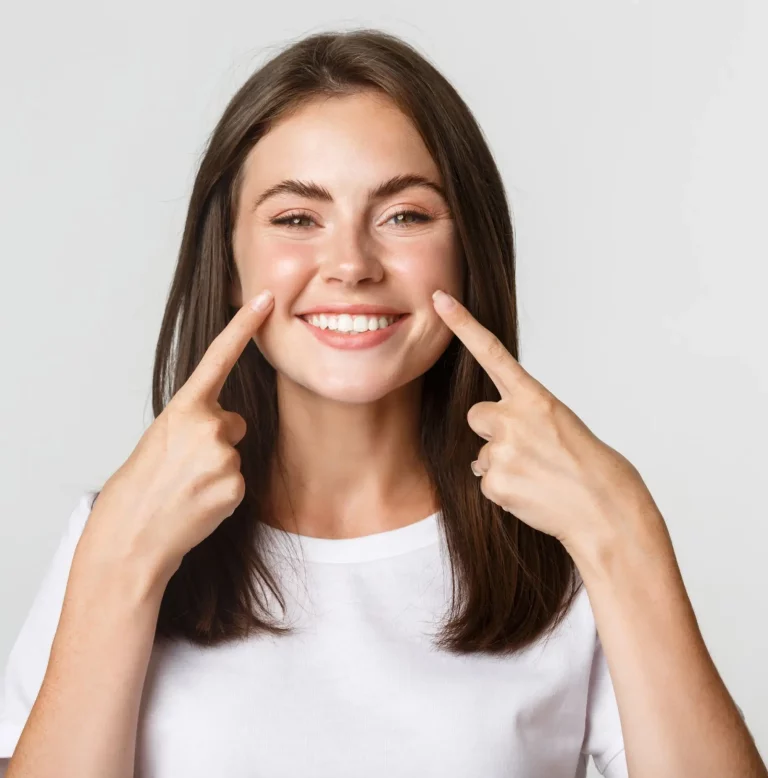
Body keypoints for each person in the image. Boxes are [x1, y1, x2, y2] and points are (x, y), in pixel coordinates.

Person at [0, 28, 763, 778]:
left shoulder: (566, 547)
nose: (352, 265)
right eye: (298, 218)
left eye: (405, 215)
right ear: (227, 266)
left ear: (469, 254)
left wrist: (624, 531)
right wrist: (118, 566)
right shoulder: (115, 533)